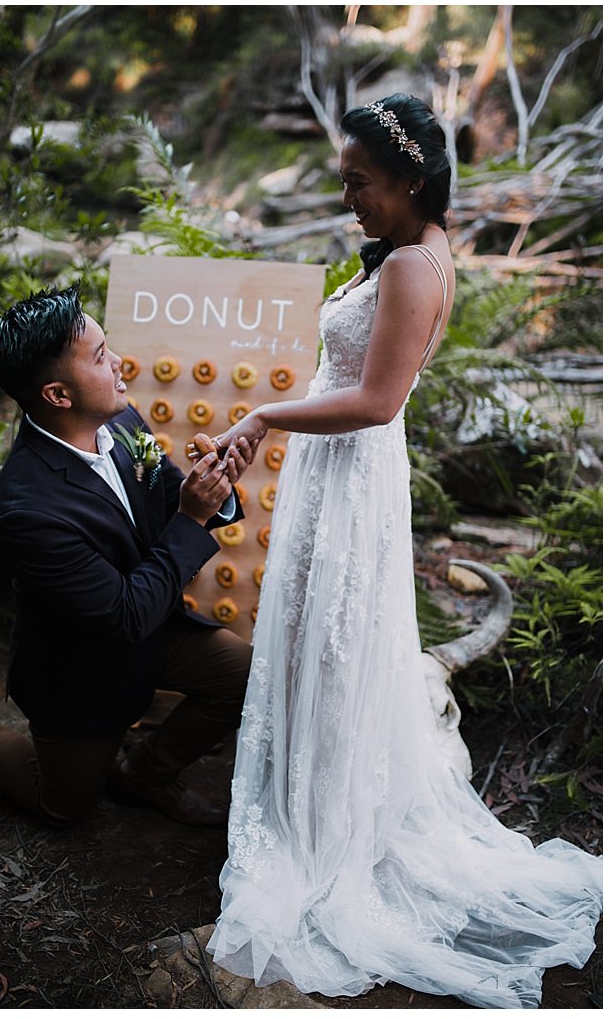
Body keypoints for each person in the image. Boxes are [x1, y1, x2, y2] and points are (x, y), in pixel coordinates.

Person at [199, 95, 602, 1008]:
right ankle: (314, 807)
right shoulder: (409, 251)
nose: (350, 201)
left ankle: (326, 838)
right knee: (320, 650)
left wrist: (262, 415)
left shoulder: (416, 267)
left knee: (332, 653)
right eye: (345, 183)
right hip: (336, 479)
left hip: (350, 480)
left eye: (361, 184)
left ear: (412, 178)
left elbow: (377, 401)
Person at [0, 283, 256, 830]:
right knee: (62, 808)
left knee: (248, 676)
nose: (118, 362)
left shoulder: (124, 422)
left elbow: (165, 492)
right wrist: (192, 518)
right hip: (83, 668)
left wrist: (216, 489)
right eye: (101, 357)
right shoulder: (27, 511)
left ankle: (143, 774)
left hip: (153, 624)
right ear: (59, 395)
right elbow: (123, 617)